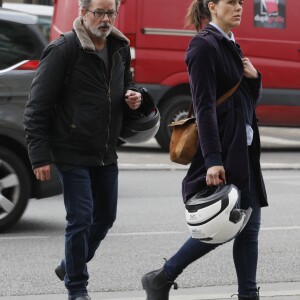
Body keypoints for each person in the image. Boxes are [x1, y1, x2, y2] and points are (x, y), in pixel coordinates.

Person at [141, 0, 268, 300]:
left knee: (247, 226)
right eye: (231, 2)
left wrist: (255, 78)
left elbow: (245, 101)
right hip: (224, 150)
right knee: (224, 225)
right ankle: (163, 276)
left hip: (244, 148)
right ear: (212, 6)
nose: (239, 8)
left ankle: (246, 294)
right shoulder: (203, 46)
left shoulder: (231, 44)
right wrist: (212, 160)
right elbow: (204, 106)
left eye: (241, 2)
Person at [23, 0, 142, 299]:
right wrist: (39, 155)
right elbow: (36, 107)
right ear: (83, 13)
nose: (105, 19)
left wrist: (134, 96)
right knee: (81, 218)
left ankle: (70, 265)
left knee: (106, 218)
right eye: (98, 12)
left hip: (105, 149)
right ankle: (77, 288)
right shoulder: (64, 49)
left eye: (110, 13)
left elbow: (127, 84)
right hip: (71, 148)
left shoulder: (119, 47)